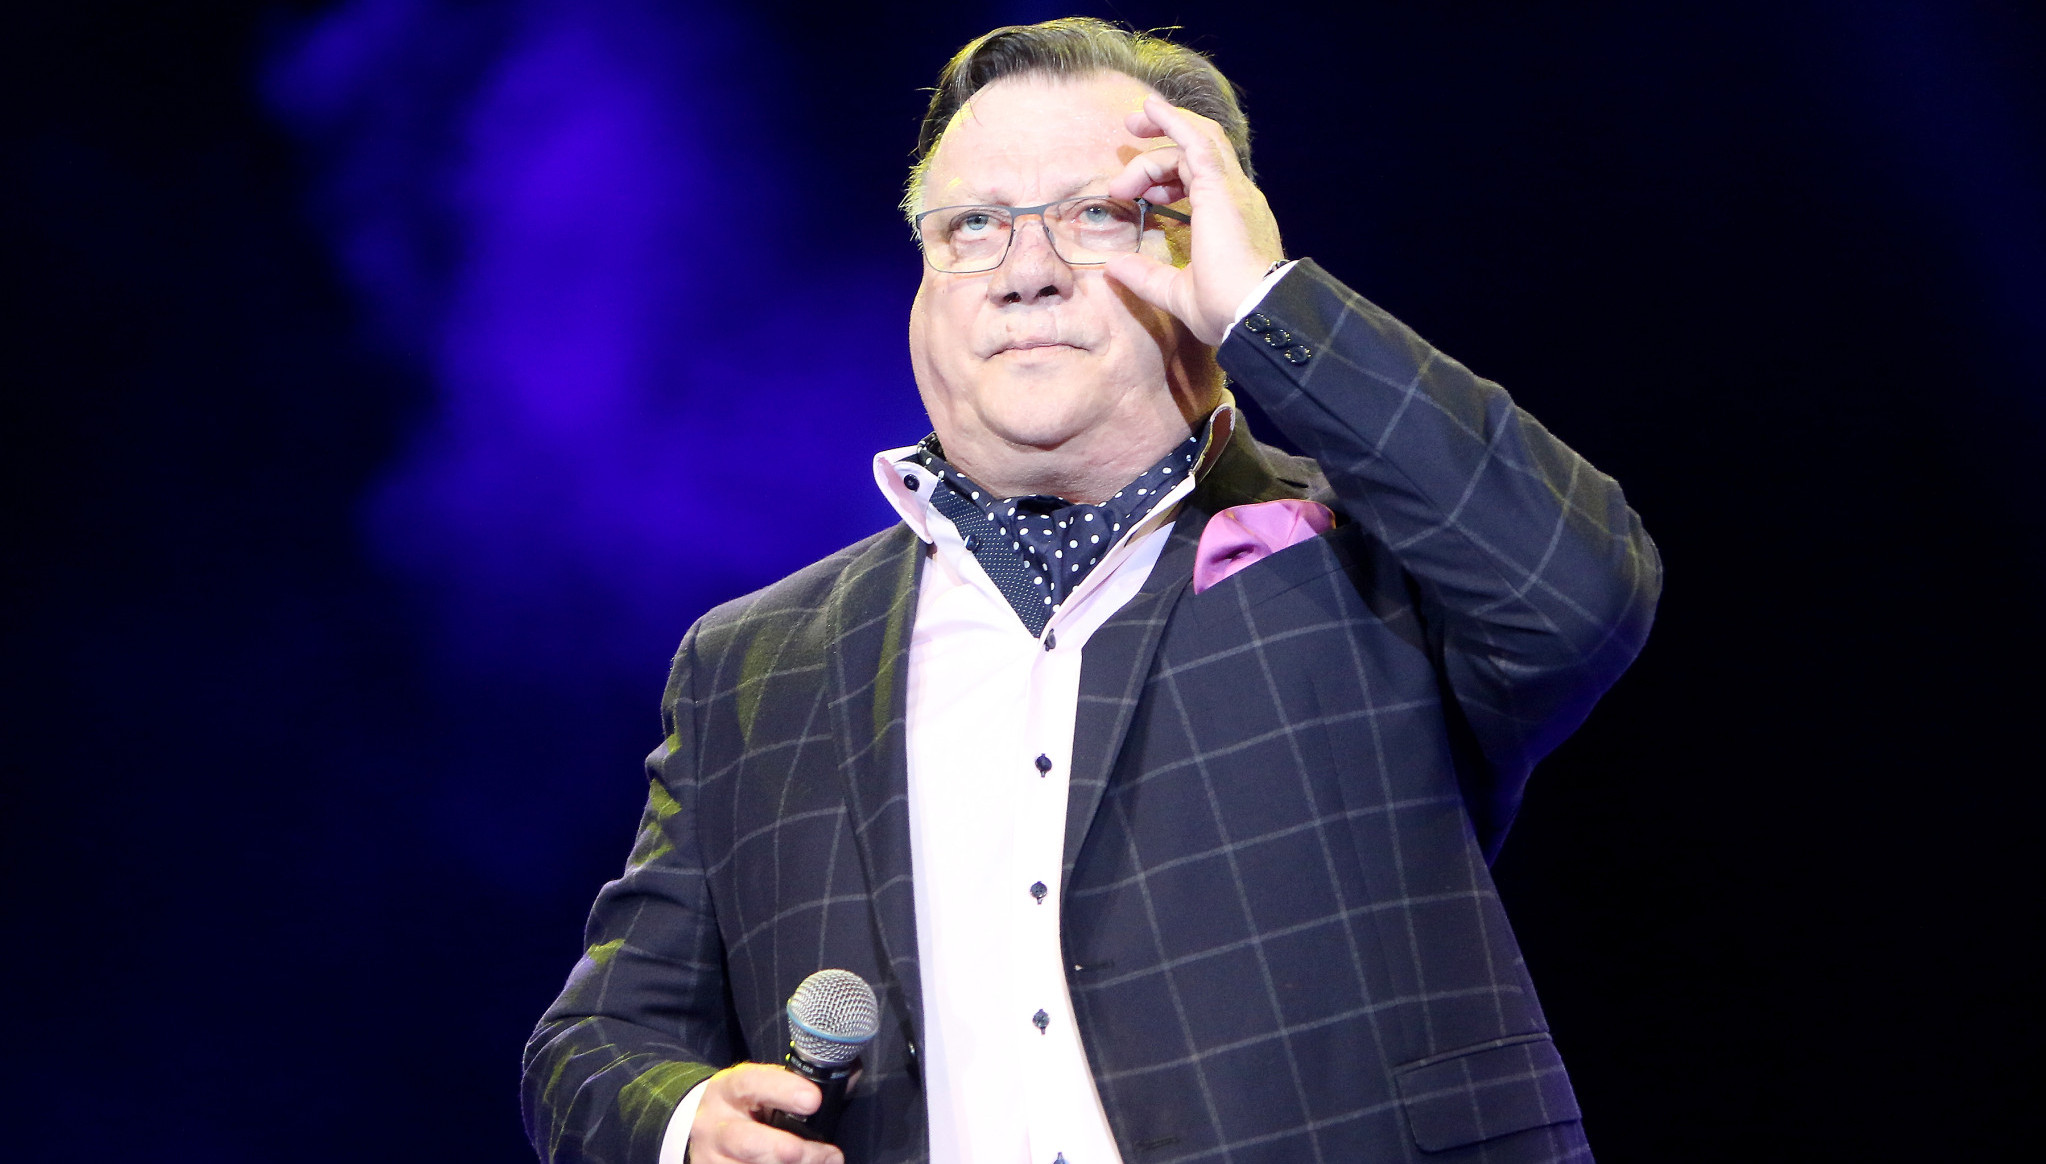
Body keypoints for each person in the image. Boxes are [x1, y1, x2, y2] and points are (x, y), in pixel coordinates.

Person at [523, 18, 1658, 1164]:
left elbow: (1574, 592)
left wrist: (1267, 305)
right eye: (973, 225)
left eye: (1096, 216)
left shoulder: (1374, 555)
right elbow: (597, 1044)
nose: (1026, 272)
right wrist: (686, 1124)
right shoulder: (754, 664)